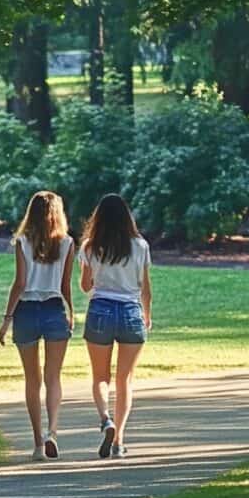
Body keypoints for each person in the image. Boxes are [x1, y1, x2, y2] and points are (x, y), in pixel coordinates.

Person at [0, 191, 75, 461]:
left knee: (33, 379)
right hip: (55, 308)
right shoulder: (66, 243)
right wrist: (71, 312)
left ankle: (38, 444)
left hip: (26, 311)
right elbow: (65, 285)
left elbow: (19, 283)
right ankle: (53, 431)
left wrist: (6, 319)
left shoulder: (22, 242)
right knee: (54, 377)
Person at [79, 194, 152, 459]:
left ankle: (105, 419)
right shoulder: (140, 246)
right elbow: (145, 287)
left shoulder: (90, 246)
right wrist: (147, 315)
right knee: (125, 380)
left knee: (100, 377)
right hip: (131, 311)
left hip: (100, 309)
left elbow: (87, 286)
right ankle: (119, 440)